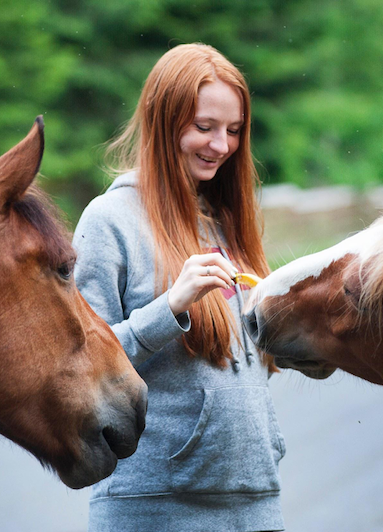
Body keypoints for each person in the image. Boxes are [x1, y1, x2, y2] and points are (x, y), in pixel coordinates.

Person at [73, 43, 286, 532]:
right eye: (205, 127)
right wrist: (169, 307)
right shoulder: (108, 222)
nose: (222, 145)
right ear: (162, 120)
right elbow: (82, 373)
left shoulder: (226, 223)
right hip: (154, 503)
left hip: (255, 497)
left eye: (233, 131)